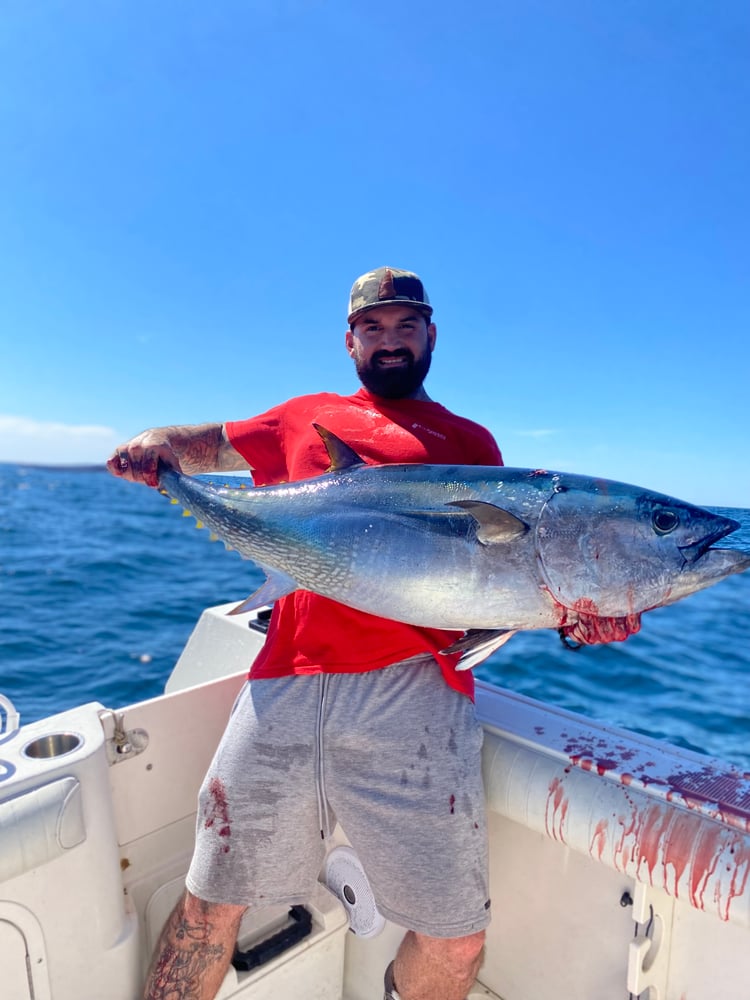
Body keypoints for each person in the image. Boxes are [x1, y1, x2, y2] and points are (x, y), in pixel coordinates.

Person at [108, 266, 640, 1000]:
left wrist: (579, 620)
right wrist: (153, 446)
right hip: (285, 685)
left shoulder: (470, 442)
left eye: (405, 326)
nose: (389, 341)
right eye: (373, 327)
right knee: (208, 906)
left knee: (456, 939)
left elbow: (498, 587)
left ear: (430, 335)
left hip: (414, 698)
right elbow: (203, 446)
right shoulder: (304, 416)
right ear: (350, 339)